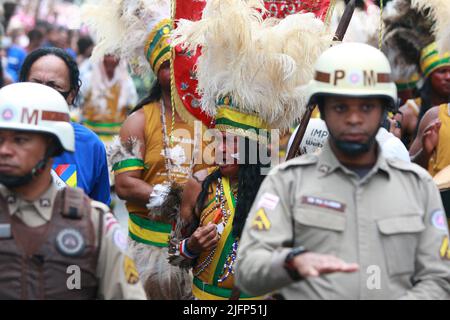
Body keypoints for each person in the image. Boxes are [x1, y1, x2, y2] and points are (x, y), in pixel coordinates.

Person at [235, 42, 450, 300]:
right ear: (322, 111)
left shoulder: (418, 187)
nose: (354, 118)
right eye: (340, 107)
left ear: (384, 111)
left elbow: (439, 280)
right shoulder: (287, 182)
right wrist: (291, 262)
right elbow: (247, 270)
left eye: (367, 107)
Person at [167, 0, 332, 300]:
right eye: (220, 140)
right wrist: (190, 246)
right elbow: (174, 255)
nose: (222, 149)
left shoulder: (277, 187)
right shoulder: (198, 183)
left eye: (233, 142)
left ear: (253, 147)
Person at [83, 0, 211, 299]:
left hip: (202, 253)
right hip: (148, 257)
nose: (177, 72)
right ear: (156, 71)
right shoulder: (138, 121)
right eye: (168, 65)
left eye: (183, 63)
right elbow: (126, 184)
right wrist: (171, 199)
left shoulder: (212, 121)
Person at [0, 82, 146, 299]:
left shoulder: (95, 224)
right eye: (0, 139)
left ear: (53, 146)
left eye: (20, 140)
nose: (4, 150)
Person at [19, 47, 111, 205]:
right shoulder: (4, 137)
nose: (44, 93)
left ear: (72, 95)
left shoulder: (89, 145)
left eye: (54, 86)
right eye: (35, 84)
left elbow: (99, 210)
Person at [80, 54, 138, 146]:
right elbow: (80, 105)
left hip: (116, 141)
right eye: (108, 56)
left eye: (115, 56)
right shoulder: (88, 79)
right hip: (90, 138)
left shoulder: (127, 83)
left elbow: (131, 109)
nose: (111, 60)